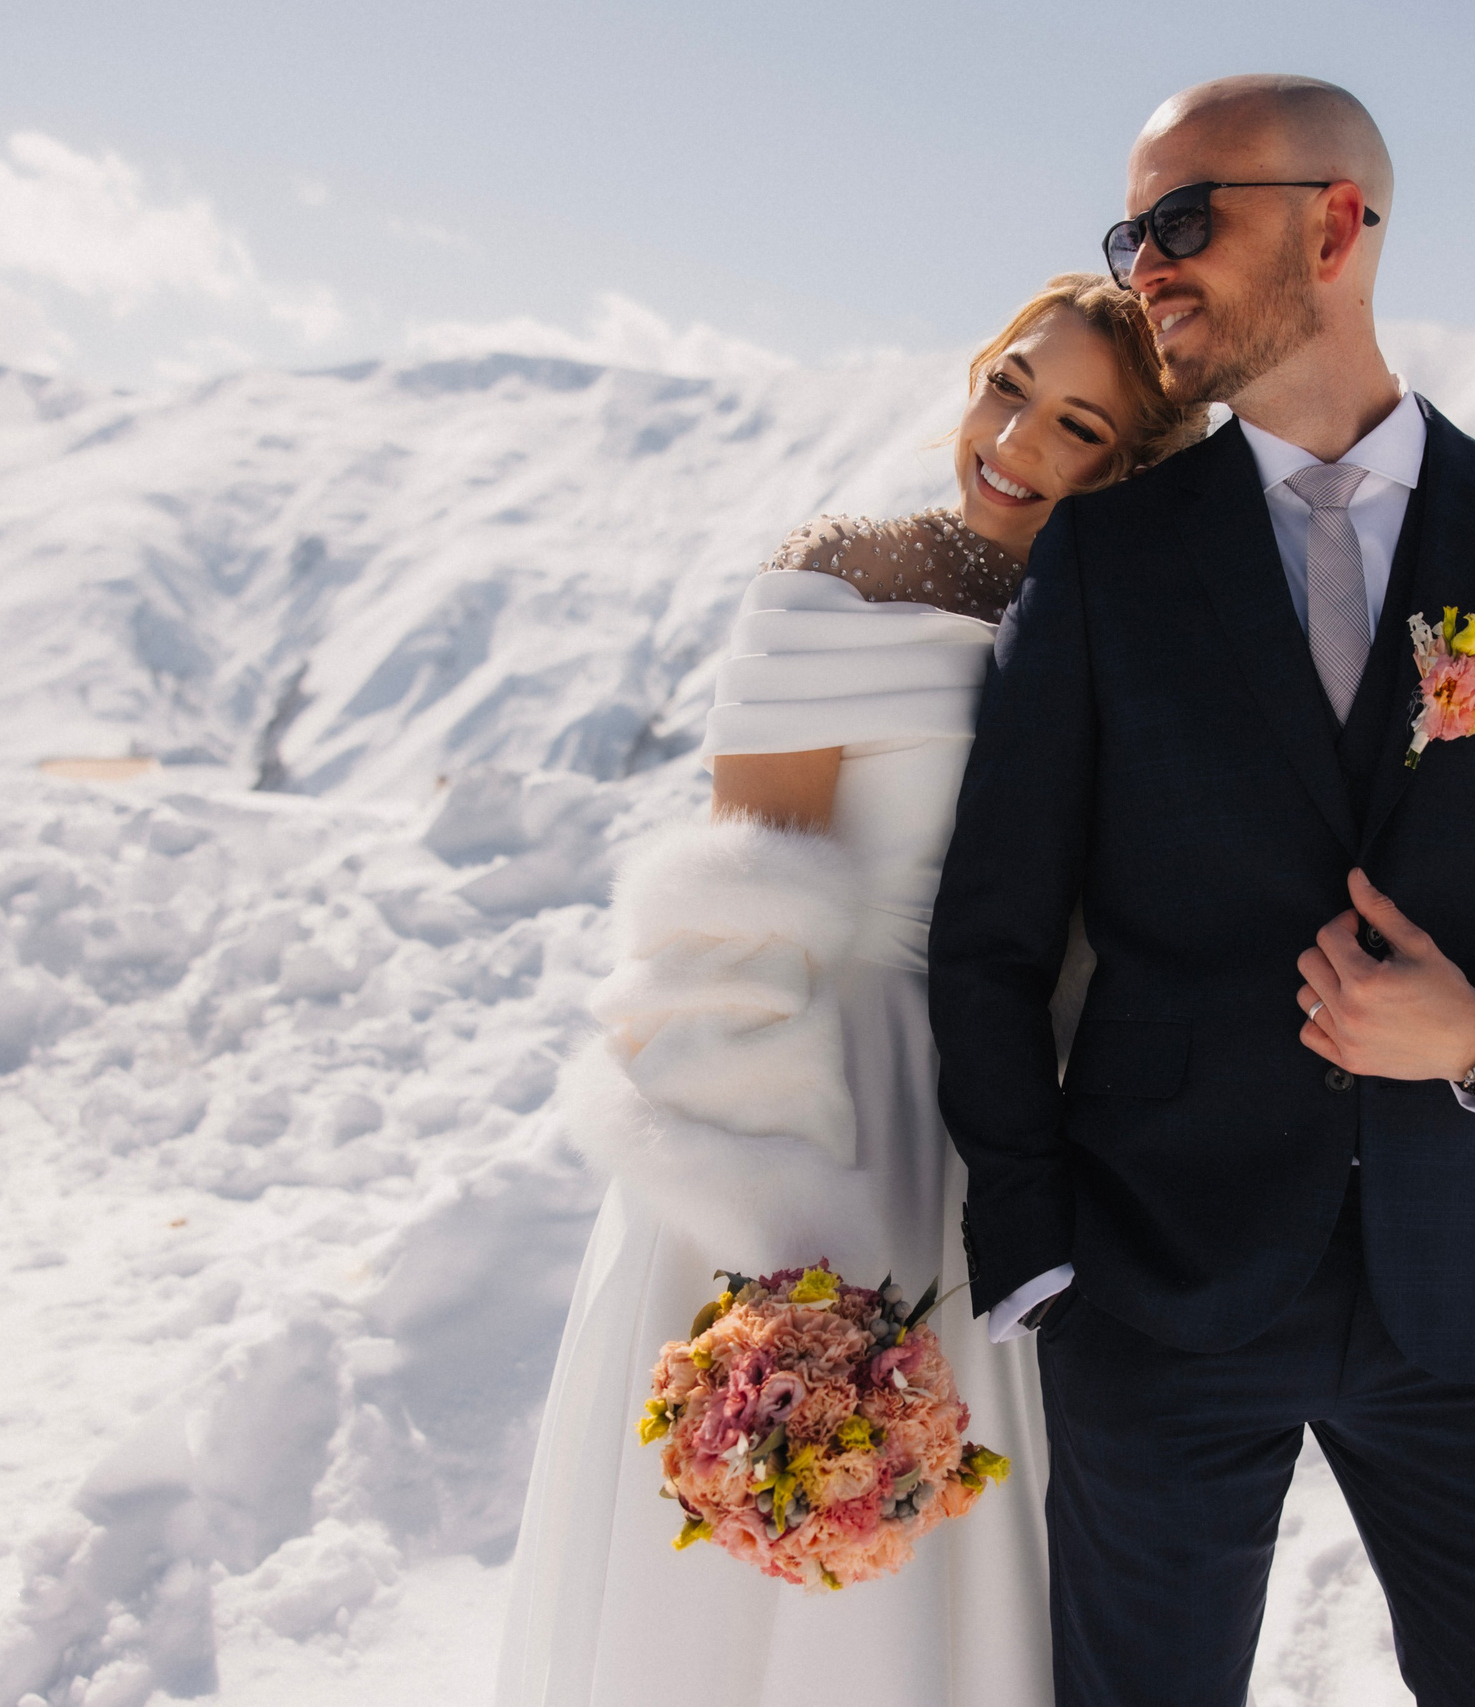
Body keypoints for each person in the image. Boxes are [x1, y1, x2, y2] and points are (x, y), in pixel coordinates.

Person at [930, 78, 1475, 1707]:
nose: (1146, 264)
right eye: (1129, 231)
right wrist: (1036, 1244)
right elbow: (994, 934)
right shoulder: (1108, 558)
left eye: (1185, 220)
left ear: (1337, 221)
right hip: (1159, 1301)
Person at [493, 274, 1204, 1707]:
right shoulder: (844, 573)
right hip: (806, 1112)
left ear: (1120, 465)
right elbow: (736, 911)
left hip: (1000, 1126)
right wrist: (766, 1237)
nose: (1015, 440)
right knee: (779, 1490)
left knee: (960, 1532)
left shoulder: (1117, 624)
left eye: (1074, 426)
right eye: (1009, 386)